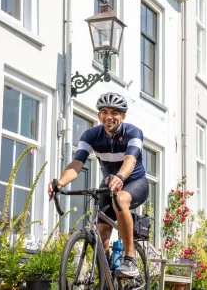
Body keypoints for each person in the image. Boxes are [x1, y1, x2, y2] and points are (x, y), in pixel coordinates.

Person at [48, 92, 148, 278]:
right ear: (99, 115)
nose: (108, 116)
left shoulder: (134, 133)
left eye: (114, 112)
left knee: (120, 199)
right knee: (101, 236)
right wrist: (61, 182)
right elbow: (77, 163)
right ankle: (105, 274)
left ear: (123, 116)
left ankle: (130, 258)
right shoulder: (91, 135)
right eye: (104, 111)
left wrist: (119, 176)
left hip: (135, 182)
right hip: (108, 184)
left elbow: (130, 160)